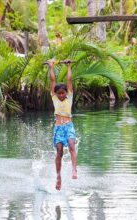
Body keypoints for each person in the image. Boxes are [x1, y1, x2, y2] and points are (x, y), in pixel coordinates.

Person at [47, 60, 78, 191]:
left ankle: (74, 170)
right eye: (58, 93)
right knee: (59, 151)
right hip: (58, 128)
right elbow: (52, 80)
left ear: (66, 92)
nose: (60, 95)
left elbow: (69, 80)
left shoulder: (69, 97)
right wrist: (51, 66)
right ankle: (58, 177)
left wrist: (69, 66)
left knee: (71, 145)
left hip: (69, 125)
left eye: (62, 93)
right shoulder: (54, 97)